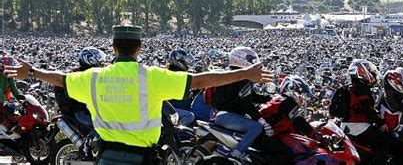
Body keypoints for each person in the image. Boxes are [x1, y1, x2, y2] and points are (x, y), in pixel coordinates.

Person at [5, 25, 272, 165]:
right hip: (142, 158)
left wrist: (32, 72)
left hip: (107, 158)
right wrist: (245, 73)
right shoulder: (153, 77)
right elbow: (202, 80)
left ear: (112, 47)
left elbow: (60, 79)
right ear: (139, 49)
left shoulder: (94, 78)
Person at [211, 46, 273, 161]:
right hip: (227, 116)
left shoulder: (230, 74)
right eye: (249, 60)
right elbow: (246, 104)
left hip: (222, 114)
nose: (252, 63)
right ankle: (235, 155)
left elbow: (251, 97)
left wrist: (270, 99)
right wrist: (261, 120)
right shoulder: (242, 78)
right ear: (240, 59)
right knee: (256, 127)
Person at [329, 59, 391, 164]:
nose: (372, 75)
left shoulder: (348, 87)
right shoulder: (362, 87)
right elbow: (367, 108)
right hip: (359, 126)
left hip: (345, 126)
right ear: (362, 72)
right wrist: (381, 122)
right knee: (385, 142)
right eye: (370, 72)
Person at [54, 47, 106, 127]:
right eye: (99, 59)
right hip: (81, 111)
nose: (102, 62)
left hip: (86, 109)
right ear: (89, 59)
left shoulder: (89, 73)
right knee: (100, 125)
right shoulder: (80, 75)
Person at [166, 48, 196, 126]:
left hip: (172, 105)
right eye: (185, 61)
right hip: (169, 107)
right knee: (189, 116)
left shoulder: (175, 73)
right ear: (179, 62)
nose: (187, 63)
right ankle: (175, 131)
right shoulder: (174, 75)